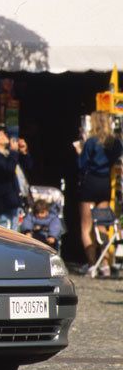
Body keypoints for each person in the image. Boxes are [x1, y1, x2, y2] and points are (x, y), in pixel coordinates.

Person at [75, 111, 122, 276]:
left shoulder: (91, 142)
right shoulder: (114, 142)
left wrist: (79, 151)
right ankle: (105, 264)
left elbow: (82, 164)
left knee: (86, 226)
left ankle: (92, 264)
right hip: (104, 183)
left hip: (90, 183)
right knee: (101, 224)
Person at [0, 127, 32, 230]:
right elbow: (8, 169)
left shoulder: (10, 153)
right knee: (6, 230)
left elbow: (29, 167)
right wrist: (14, 152)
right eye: (0, 135)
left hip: (19, 197)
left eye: (4, 134)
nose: (5, 136)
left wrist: (24, 152)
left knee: (18, 230)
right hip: (5, 201)